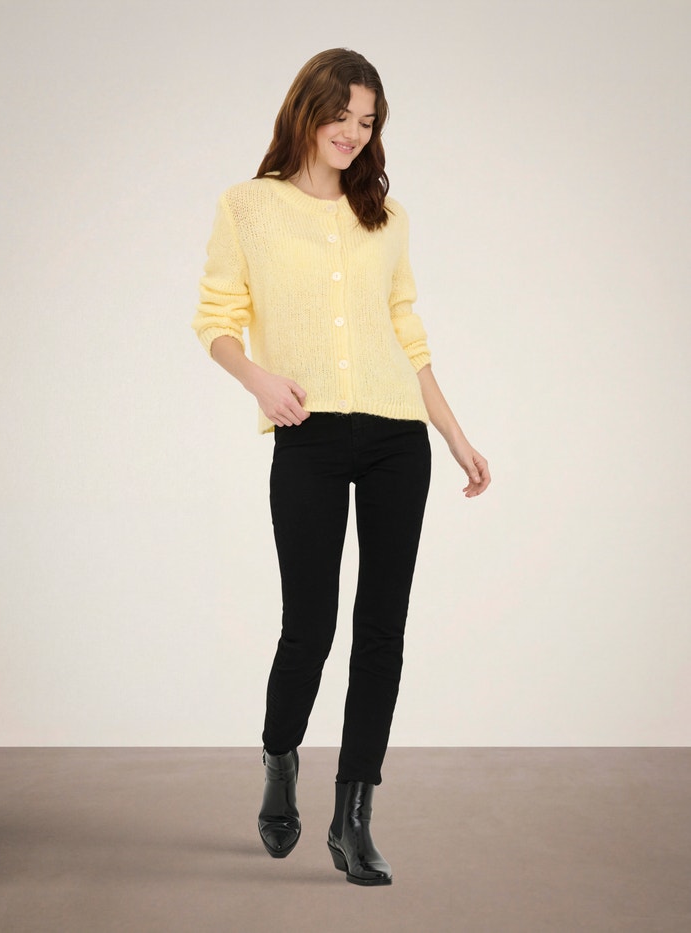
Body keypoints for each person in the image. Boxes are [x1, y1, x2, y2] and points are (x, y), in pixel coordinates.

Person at [191, 48, 490, 886]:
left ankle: (353, 814)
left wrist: (455, 434)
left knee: (382, 629)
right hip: (309, 436)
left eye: (368, 122)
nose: (353, 134)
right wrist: (258, 378)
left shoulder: (385, 218)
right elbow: (215, 316)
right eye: (342, 116)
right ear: (308, 109)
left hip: (399, 438)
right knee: (310, 625)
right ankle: (280, 756)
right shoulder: (248, 205)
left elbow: (407, 334)